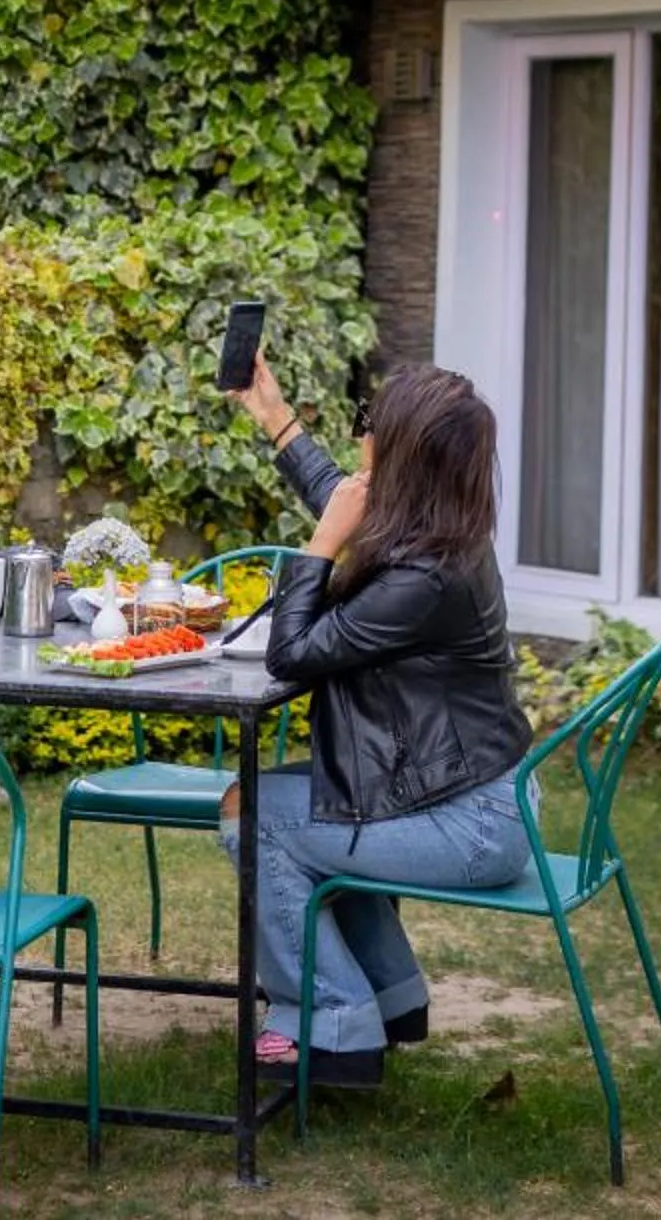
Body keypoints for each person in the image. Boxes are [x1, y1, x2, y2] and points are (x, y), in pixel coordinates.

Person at [220, 350, 533, 1086]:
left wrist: (322, 545)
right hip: (465, 797)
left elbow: (290, 654)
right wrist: (275, 417)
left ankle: (332, 1026)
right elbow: (345, 492)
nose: (361, 438)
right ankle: (390, 997)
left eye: (371, 426)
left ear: (406, 457)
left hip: (471, 824)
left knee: (255, 815)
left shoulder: (427, 578)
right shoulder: (438, 536)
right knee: (322, 801)